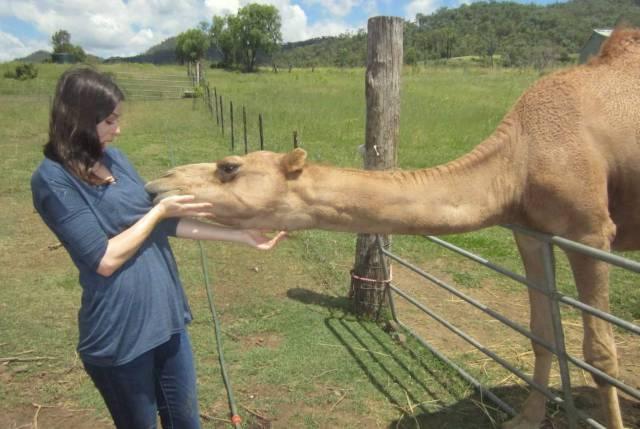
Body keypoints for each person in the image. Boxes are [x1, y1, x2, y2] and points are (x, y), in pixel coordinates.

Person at [31, 67, 285, 429]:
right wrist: (160, 209)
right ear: (78, 119)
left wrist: (240, 235)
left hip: (167, 323)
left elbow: (165, 223)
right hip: (120, 339)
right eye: (109, 121)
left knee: (187, 423)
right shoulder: (51, 180)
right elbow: (104, 259)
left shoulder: (114, 160)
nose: (117, 130)